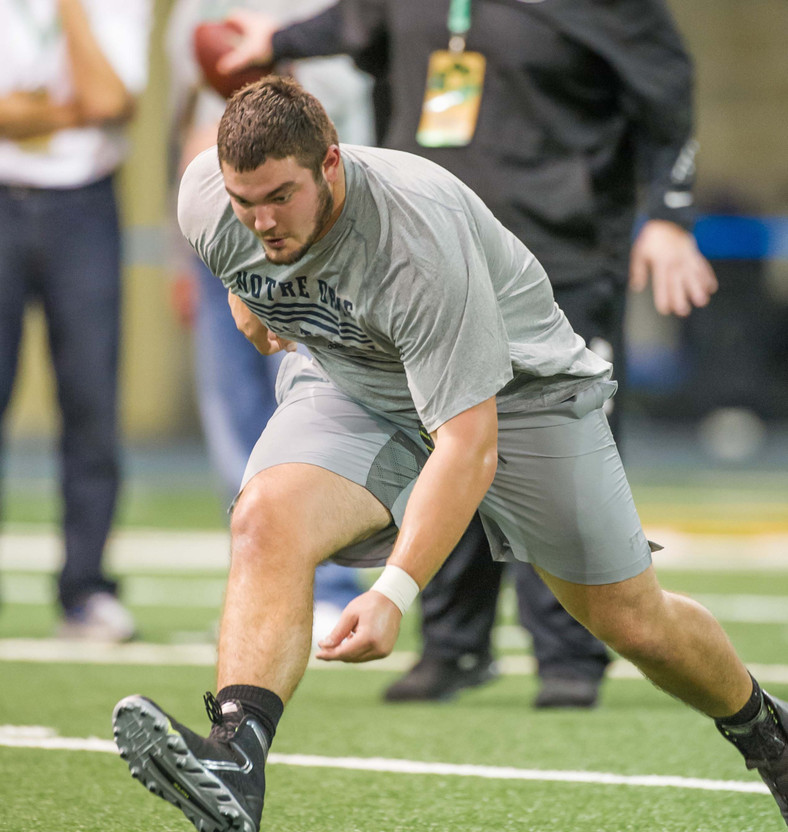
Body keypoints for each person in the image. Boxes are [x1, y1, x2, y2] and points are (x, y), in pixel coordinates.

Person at [113, 78, 787, 832]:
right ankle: (235, 757)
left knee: (634, 621)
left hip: (518, 395)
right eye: (245, 201)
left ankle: (767, 735)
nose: (262, 220)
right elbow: (239, 263)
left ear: (331, 163)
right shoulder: (208, 199)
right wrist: (250, 294)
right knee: (265, 518)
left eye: (280, 197)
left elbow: (469, 445)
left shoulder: (414, 235)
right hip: (355, 381)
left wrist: (394, 593)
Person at [212, 0, 719, 709]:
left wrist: (668, 215)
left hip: (554, 253)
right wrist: (280, 38)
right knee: (434, 427)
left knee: (539, 441)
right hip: (413, 260)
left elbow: (664, 85)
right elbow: (360, 20)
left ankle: (567, 651)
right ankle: (453, 642)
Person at [164, 0, 375, 641]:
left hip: (317, 234)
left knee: (315, 408)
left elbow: (359, 127)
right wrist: (181, 253)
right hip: (224, 231)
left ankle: (330, 587)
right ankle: (258, 585)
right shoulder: (198, 9)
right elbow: (184, 121)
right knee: (236, 418)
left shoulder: (338, 14)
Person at [0, 0, 152, 640]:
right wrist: (68, 113)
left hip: (84, 206)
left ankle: (85, 588)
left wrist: (70, 11)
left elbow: (110, 99)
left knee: (90, 403)